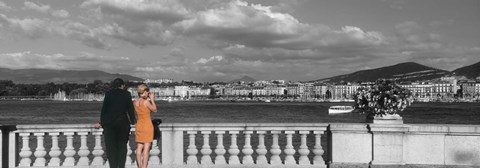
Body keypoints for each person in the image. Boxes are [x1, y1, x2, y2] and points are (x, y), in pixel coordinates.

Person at [94, 78, 136, 168]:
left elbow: (104, 110)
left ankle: (113, 166)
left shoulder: (108, 94)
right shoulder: (127, 94)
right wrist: (133, 121)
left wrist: (101, 122)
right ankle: (121, 166)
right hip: (122, 124)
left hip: (109, 124)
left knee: (111, 148)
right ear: (122, 85)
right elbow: (130, 110)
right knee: (122, 147)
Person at [134, 84, 157, 168]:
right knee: (146, 148)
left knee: (139, 147)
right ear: (144, 92)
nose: (148, 94)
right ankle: (144, 167)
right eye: (147, 92)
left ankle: (139, 166)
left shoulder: (135, 102)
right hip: (147, 126)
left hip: (139, 125)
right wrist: (152, 100)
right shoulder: (146, 102)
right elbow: (154, 109)